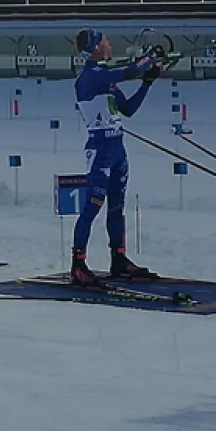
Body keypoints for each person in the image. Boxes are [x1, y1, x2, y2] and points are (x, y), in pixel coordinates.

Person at [70, 27, 162, 286]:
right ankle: (78, 263)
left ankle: (119, 259)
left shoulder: (106, 79)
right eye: (106, 41)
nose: (110, 44)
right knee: (92, 207)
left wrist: (148, 83)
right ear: (96, 46)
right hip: (100, 149)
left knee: (117, 207)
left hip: (117, 147)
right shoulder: (91, 76)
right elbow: (130, 70)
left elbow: (128, 109)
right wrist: (149, 60)